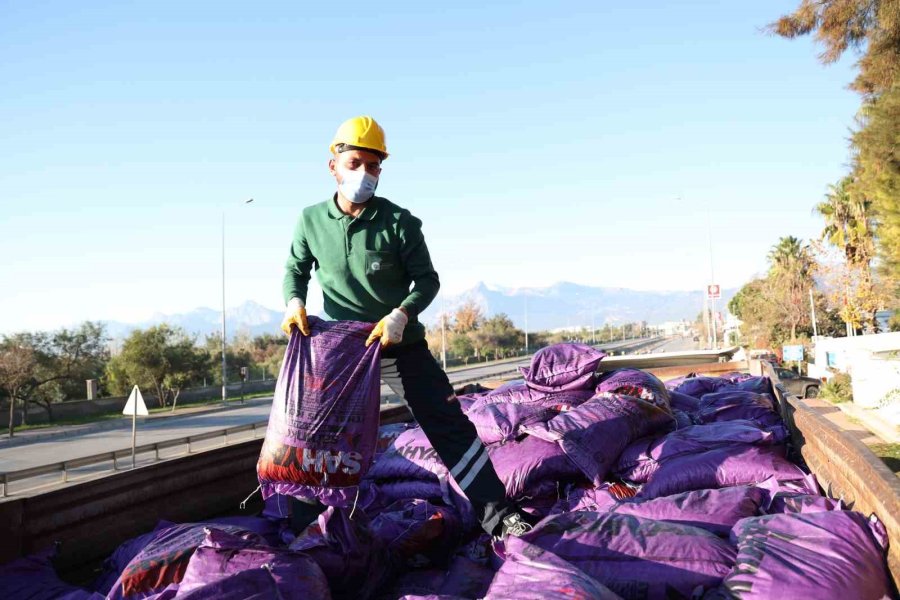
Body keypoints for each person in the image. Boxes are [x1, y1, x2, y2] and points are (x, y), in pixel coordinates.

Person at [280, 115, 533, 538]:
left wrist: (401, 315)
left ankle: (500, 516)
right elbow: (296, 268)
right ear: (333, 165)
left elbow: (428, 280)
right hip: (343, 352)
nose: (364, 173)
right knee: (317, 439)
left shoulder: (399, 222)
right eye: (356, 162)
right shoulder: (309, 221)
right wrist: (294, 302)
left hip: (400, 346)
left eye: (374, 166)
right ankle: (308, 529)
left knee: (449, 427)